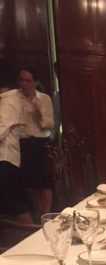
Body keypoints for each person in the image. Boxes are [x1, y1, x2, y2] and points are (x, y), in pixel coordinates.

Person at [17, 66, 55, 218]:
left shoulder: (44, 99)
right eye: (21, 80)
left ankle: (46, 216)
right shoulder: (14, 98)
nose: (24, 84)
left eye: (28, 81)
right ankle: (35, 214)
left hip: (41, 143)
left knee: (44, 182)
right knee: (28, 183)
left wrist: (39, 113)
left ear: (36, 82)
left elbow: (50, 124)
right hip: (23, 143)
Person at [0, 62, 33, 223]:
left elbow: (1, 130)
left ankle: (34, 232)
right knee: (11, 201)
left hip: (5, 158)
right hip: (8, 157)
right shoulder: (10, 98)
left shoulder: (9, 100)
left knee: (12, 201)